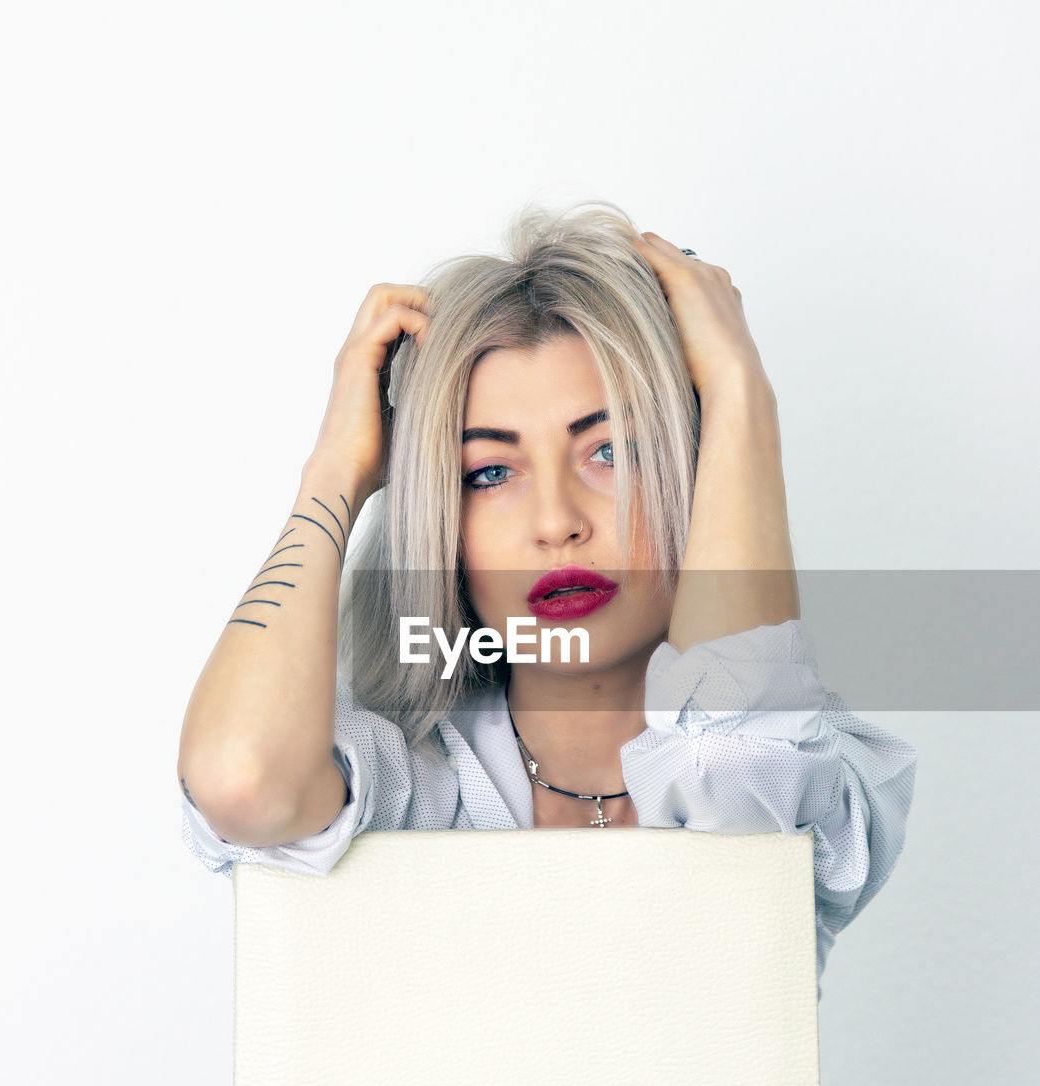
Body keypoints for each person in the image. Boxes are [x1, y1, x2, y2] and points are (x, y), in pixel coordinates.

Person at [176, 200, 917, 999]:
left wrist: (740, 396)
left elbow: (728, 767)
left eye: (613, 452)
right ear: (443, 525)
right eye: (489, 472)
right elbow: (242, 778)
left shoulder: (810, 766)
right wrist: (333, 478)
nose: (557, 523)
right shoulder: (413, 780)